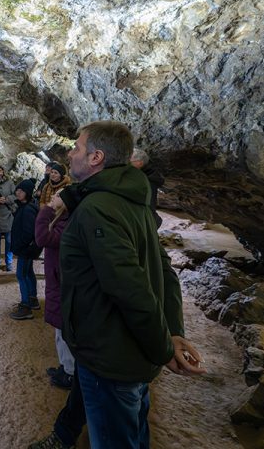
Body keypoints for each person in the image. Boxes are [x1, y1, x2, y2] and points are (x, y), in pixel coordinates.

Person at [58, 121, 205, 449]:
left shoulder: (98, 209)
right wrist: (173, 331)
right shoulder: (135, 199)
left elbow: (130, 289)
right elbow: (163, 271)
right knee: (134, 434)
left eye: (77, 148)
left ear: (96, 157)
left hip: (111, 357)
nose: (70, 154)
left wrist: (165, 349)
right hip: (127, 356)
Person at [35, 192, 75, 388]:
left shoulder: (66, 223)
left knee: (64, 331)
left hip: (61, 284)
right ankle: (65, 366)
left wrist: (46, 210)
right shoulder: (63, 220)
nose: (52, 197)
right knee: (60, 331)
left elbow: (43, 237)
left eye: (57, 197)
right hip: (57, 281)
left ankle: (70, 374)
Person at [9, 178, 39, 320]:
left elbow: (28, 232)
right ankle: (33, 299)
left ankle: (26, 306)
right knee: (29, 272)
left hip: (25, 249)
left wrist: (20, 246)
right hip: (28, 248)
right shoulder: (26, 206)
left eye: (20, 191)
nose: (17, 192)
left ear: (27, 193)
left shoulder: (27, 210)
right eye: (17, 190)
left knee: (21, 275)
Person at [131, 148, 165, 230]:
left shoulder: (148, 183)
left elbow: (149, 208)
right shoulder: (142, 173)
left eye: (129, 162)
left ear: (139, 163)